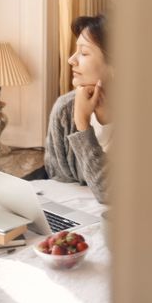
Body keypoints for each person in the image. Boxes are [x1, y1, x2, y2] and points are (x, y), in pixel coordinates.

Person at [44, 14, 113, 204]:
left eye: (83, 53)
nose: (71, 60)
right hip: (76, 225)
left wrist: (82, 124)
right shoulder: (65, 110)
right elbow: (57, 182)